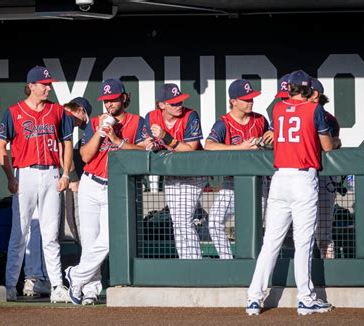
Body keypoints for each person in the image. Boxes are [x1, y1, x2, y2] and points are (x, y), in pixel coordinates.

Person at [246, 70, 334, 316]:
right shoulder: (313, 109)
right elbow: (327, 146)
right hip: (303, 178)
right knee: (303, 242)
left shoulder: (277, 109)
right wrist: (335, 142)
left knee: (270, 242)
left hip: (280, 179)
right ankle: (306, 299)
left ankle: (254, 298)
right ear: (308, 90)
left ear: (289, 89)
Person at [65, 79, 146, 305]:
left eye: (113, 99)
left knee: (109, 240)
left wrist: (118, 141)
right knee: (90, 242)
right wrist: (100, 132)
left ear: (123, 98)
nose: (109, 104)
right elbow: (85, 156)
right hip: (90, 183)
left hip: (116, 186)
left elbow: (145, 151)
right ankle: (90, 289)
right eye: (106, 101)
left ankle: (76, 275)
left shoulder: (137, 122)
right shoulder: (94, 123)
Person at [0, 65, 73, 303]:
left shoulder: (58, 111)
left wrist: (66, 174)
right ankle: (10, 285)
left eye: (49, 84)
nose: (48, 88)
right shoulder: (14, 112)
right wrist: (10, 176)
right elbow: (0, 147)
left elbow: (67, 143)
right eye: (43, 84)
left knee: (50, 235)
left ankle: (57, 286)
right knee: (19, 233)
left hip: (50, 173)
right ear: (31, 86)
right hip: (25, 174)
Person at [205, 79, 270, 259]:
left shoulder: (260, 120)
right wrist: (239, 147)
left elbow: (272, 143)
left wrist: (267, 141)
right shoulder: (224, 122)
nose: (251, 102)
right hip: (231, 183)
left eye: (252, 98)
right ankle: (228, 261)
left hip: (259, 183)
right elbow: (209, 145)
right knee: (215, 222)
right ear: (233, 101)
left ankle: (259, 263)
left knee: (256, 226)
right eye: (246, 99)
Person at [143, 83, 206, 259]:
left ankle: (195, 264)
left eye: (179, 101)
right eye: (173, 103)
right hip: (172, 175)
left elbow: (191, 148)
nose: (179, 105)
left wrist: (167, 139)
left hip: (194, 173)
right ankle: (186, 262)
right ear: (161, 105)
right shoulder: (152, 117)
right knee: (177, 222)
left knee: (183, 219)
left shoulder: (190, 115)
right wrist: (153, 144)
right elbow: (147, 142)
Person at [310, 78, 342, 259]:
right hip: (301, 173)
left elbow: (328, 145)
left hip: (324, 175)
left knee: (323, 230)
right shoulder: (293, 114)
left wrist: (335, 141)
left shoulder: (327, 117)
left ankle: (328, 268)